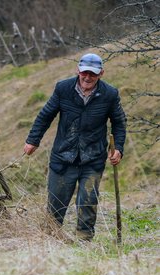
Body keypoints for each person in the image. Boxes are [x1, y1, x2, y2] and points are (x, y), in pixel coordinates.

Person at [24, 53, 126, 241]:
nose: (87, 77)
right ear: (77, 70)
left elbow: (119, 122)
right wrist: (33, 140)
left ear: (101, 73)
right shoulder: (63, 88)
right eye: (84, 72)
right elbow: (46, 115)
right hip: (63, 156)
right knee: (56, 202)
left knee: (88, 201)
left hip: (92, 158)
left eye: (93, 74)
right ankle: (50, 238)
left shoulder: (110, 94)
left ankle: (84, 240)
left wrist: (118, 147)